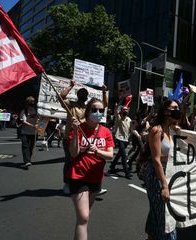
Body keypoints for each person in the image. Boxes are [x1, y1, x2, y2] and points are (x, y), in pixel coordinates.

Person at [67, 98, 114, 240]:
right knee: (84, 217)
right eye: (94, 109)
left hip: (96, 178)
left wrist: (98, 151)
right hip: (78, 176)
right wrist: (75, 132)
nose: (98, 112)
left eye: (101, 110)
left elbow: (110, 155)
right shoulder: (78, 128)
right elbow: (73, 153)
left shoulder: (106, 131)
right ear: (87, 112)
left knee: (84, 219)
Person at [59, 80, 108, 194]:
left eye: (85, 94)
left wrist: (104, 92)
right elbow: (61, 96)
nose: (83, 96)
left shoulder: (88, 108)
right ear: (77, 95)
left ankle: (92, 186)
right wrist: (71, 85)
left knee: (87, 161)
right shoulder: (71, 105)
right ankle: (67, 184)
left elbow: (104, 105)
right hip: (71, 138)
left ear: (87, 97)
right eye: (81, 93)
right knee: (69, 161)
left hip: (85, 139)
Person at [143, 99, 181, 240]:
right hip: (156, 175)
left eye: (178, 107)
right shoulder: (156, 130)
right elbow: (156, 159)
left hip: (169, 172)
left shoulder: (173, 130)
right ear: (165, 111)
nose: (177, 110)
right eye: (174, 108)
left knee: (157, 211)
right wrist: (164, 186)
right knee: (165, 213)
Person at [108, 104, 133, 179]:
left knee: (119, 153)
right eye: (124, 110)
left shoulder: (129, 119)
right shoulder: (119, 118)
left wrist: (131, 137)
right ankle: (127, 173)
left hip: (126, 139)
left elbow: (131, 130)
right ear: (121, 111)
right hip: (119, 138)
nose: (125, 111)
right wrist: (117, 106)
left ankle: (112, 165)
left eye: (126, 110)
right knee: (123, 156)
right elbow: (116, 112)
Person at [19, 96, 38, 169]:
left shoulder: (36, 110)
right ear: (27, 103)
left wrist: (38, 124)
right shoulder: (24, 111)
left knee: (31, 147)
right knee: (25, 147)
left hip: (34, 133)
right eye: (31, 101)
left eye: (33, 101)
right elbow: (23, 121)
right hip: (25, 132)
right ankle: (27, 161)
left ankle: (28, 160)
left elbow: (40, 118)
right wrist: (33, 125)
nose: (32, 103)